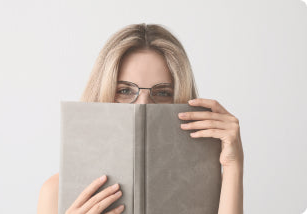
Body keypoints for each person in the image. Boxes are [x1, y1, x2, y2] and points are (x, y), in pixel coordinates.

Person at [37, 23, 244, 214]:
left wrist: (234, 166)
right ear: (103, 94)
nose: (143, 105)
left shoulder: (212, 189)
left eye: (162, 93)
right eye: (125, 90)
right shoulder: (54, 191)